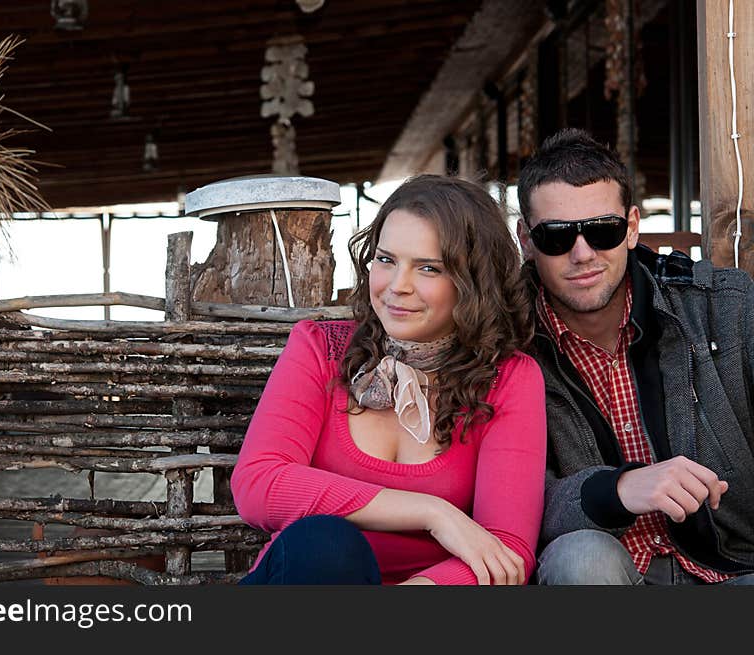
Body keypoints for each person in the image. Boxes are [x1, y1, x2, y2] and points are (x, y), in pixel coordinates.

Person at [230, 174, 546, 585]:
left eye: (429, 268)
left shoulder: (508, 378)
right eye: (386, 260)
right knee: (326, 545)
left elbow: (506, 551)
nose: (398, 287)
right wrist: (433, 513)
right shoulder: (320, 350)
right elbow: (258, 483)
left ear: (475, 282)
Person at [516, 127, 754, 585]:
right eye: (556, 237)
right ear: (526, 241)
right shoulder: (507, 343)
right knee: (582, 558)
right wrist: (616, 489)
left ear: (630, 228)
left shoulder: (725, 309)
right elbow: (512, 505)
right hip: (610, 573)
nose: (582, 254)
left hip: (733, 571)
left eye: (602, 230)